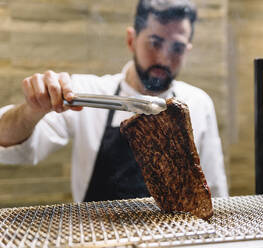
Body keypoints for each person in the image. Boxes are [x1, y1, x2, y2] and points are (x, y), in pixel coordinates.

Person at [0, 0, 228, 202]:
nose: (163, 58)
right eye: (154, 43)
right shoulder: (86, 93)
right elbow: (11, 148)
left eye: (177, 48)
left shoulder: (198, 102)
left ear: (187, 50)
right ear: (131, 40)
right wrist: (30, 111)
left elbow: (215, 192)